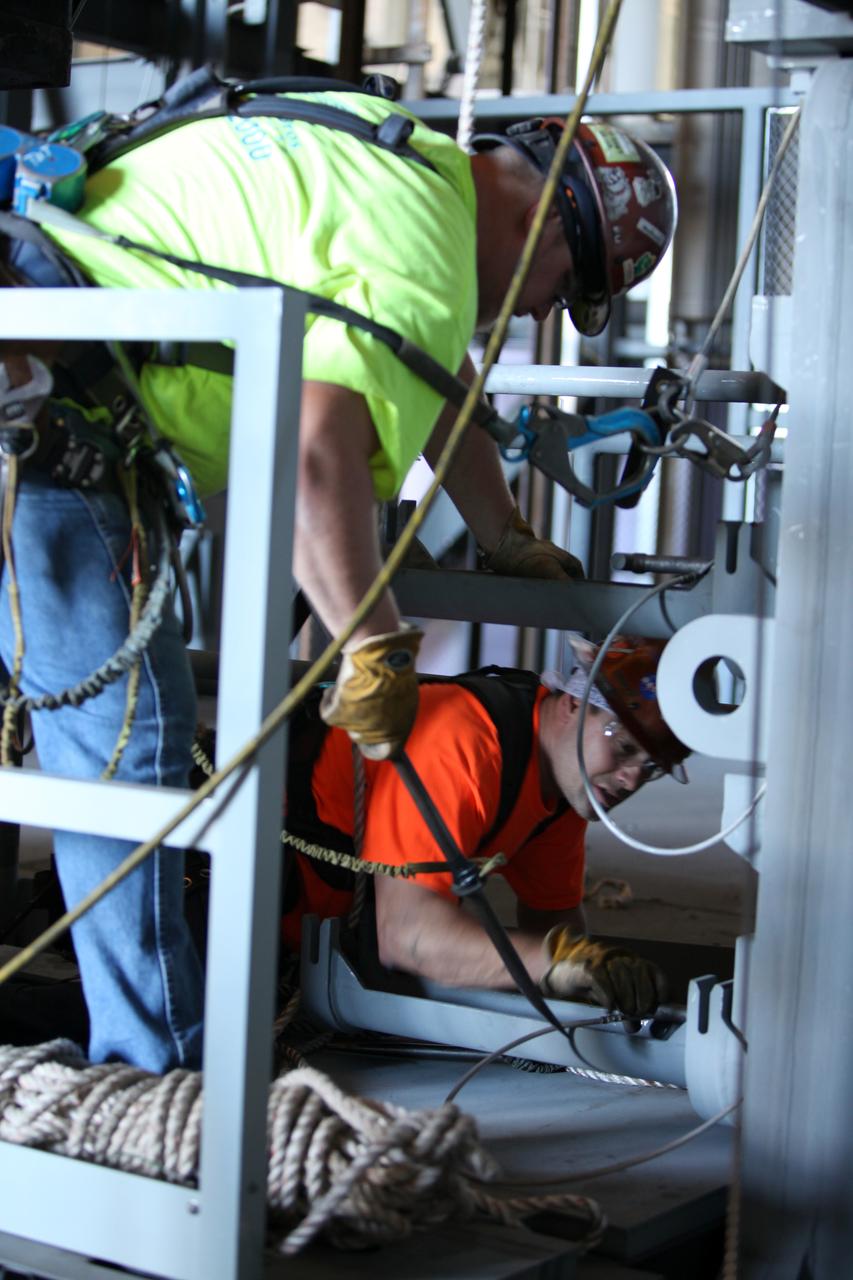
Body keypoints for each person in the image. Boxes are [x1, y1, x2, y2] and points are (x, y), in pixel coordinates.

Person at [0, 81, 677, 1070]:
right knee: (128, 751)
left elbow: (438, 383)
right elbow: (316, 448)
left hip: (43, 337)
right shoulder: (433, 260)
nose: (533, 315)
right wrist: (372, 646)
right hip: (55, 400)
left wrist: (505, 532)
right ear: (541, 222)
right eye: (554, 291)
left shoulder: (407, 176)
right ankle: (156, 1081)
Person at [281, 635, 690, 1018]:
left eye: (650, 768)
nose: (632, 780)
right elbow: (407, 937)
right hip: (253, 916)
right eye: (623, 748)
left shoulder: (561, 792)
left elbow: (553, 921)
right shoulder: (466, 745)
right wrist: (557, 961)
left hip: (321, 938)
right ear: (572, 705)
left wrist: (590, 977)